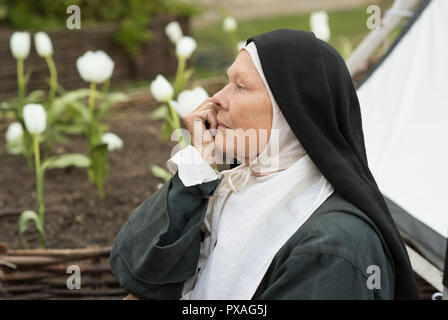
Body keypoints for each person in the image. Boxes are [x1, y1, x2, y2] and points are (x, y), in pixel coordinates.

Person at [110, 29, 419, 300]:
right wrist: (197, 168)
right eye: (226, 83)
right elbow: (139, 276)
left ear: (291, 110)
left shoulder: (333, 245)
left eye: (240, 86)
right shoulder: (237, 189)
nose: (216, 98)